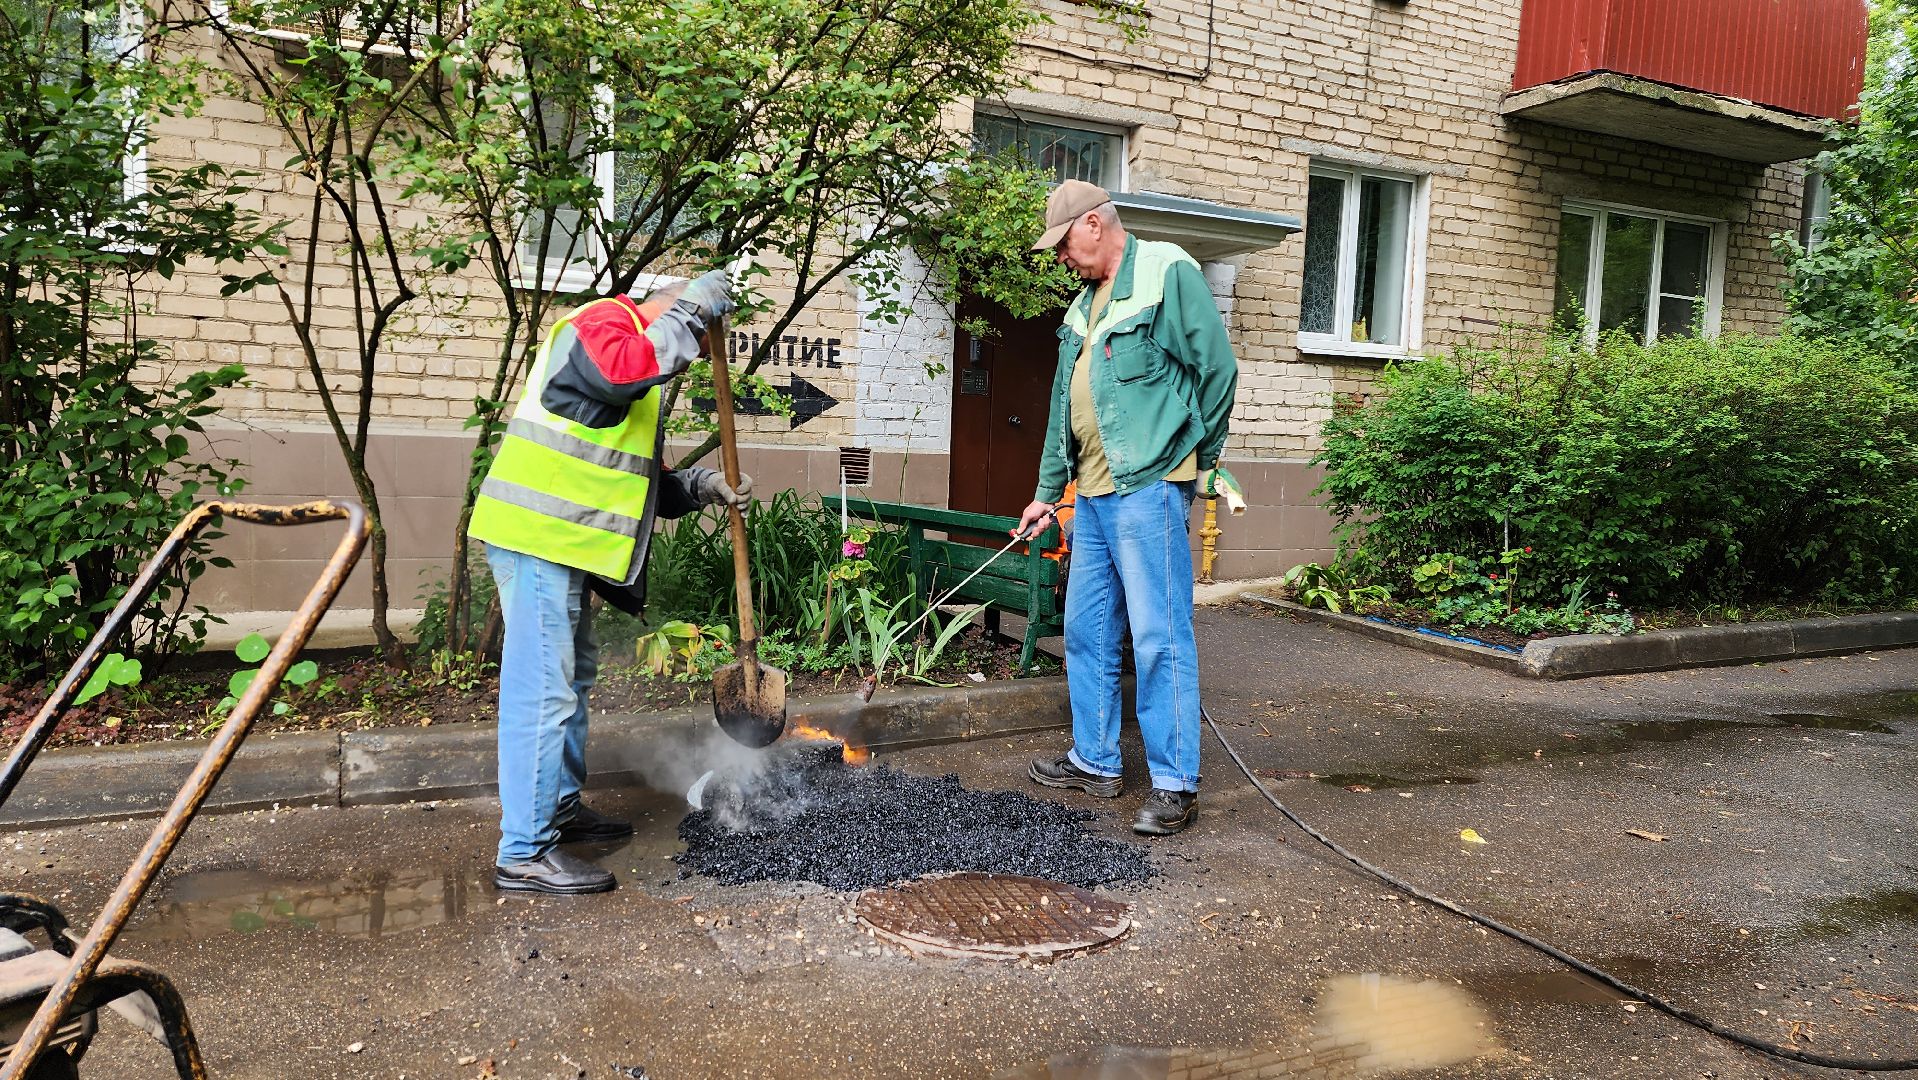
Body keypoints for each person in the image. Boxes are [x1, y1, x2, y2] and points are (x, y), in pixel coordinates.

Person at [469, 271, 750, 894]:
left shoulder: (632, 354)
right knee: (544, 693)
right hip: (536, 537)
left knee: (571, 680)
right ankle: (524, 851)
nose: (689, 357)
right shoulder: (604, 323)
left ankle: (558, 810)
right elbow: (619, 374)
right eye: (694, 340)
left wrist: (702, 486)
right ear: (670, 308)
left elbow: (629, 476)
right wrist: (693, 314)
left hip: (563, 545)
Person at [1014, 180, 1238, 837]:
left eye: (1063, 245)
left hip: (1149, 488)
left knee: (1158, 636)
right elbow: (1062, 409)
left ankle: (1175, 784)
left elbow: (1217, 370)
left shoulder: (1165, 272)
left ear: (1093, 224)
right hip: (1091, 495)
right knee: (1086, 630)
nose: (1061, 258)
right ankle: (1096, 759)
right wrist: (1047, 494)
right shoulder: (1080, 308)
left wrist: (1200, 455)